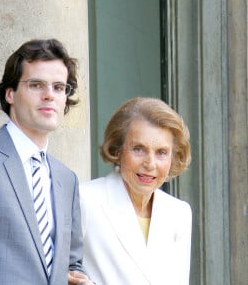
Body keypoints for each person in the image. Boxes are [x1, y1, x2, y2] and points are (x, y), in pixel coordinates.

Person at [0, 39, 94, 285]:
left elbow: (71, 264)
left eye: (59, 87)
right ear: (10, 94)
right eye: (36, 85)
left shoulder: (66, 178)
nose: (49, 95)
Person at [80, 97, 192, 285]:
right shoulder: (85, 200)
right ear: (117, 149)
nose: (150, 163)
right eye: (139, 149)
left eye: (161, 152)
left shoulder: (179, 213)